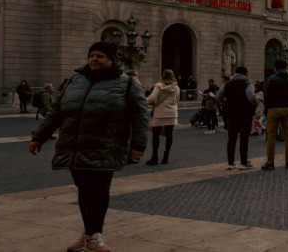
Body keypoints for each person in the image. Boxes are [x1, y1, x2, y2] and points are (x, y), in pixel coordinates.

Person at [29, 41, 149, 252]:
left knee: (99, 191)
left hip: (106, 145)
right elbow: (56, 111)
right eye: (91, 55)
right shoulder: (75, 80)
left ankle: (94, 236)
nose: (94, 59)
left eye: (99, 56)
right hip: (75, 145)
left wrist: (138, 145)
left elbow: (139, 116)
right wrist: (39, 136)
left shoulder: (127, 83)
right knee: (84, 191)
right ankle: (88, 234)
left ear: (111, 60)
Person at [262, 60, 288, 170]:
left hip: (273, 109)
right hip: (287, 109)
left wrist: (268, 108)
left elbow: (266, 95)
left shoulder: (271, 79)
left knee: (271, 136)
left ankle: (270, 162)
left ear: (275, 68)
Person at [218, 66, 257, 170]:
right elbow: (251, 97)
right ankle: (244, 162)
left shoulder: (228, 83)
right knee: (244, 138)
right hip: (245, 113)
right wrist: (255, 104)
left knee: (231, 138)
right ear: (245, 73)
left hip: (231, 113)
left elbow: (219, 96)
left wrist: (226, 104)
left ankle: (231, 163)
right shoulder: (247, 83)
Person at [145, 70, 180, 165]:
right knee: (169, 135)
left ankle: (155, 157)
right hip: (172, 112)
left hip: (160, 112)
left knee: (155, 135)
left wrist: (145, 100)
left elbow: (152, 99)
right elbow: (177, 99)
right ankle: (166, 157)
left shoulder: (158, 86)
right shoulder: (176, 87)